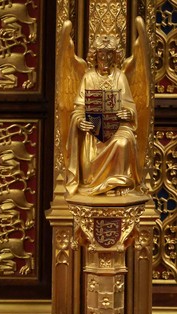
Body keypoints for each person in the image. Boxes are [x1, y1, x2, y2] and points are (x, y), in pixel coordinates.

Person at [66, 33, 141, 196]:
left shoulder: (120, 77)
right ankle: (93, 183)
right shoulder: (89, 77)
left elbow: (130, 107)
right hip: (94, 130)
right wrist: (80, 121)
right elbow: (78, 109)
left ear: (115, 56)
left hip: (117, 127)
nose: (105, 58)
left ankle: (118, 184)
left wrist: (127, 113)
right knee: (89, 150)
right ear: (95, 55)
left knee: (123, 141)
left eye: (109, 54)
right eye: (101, 54)